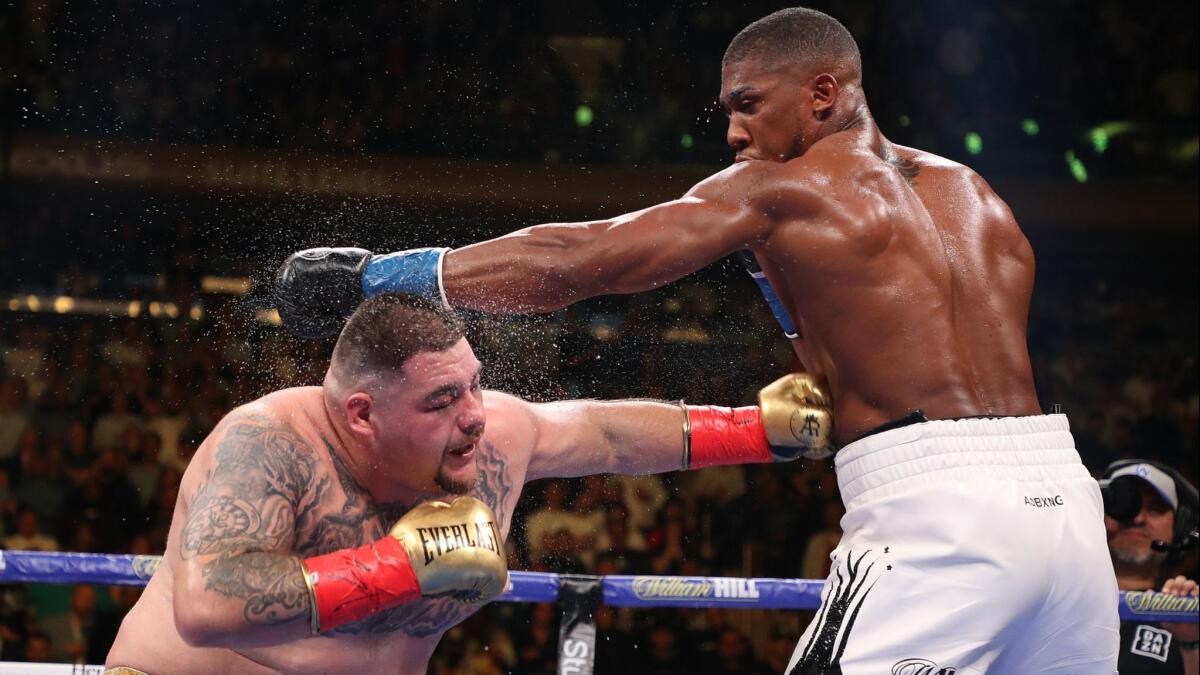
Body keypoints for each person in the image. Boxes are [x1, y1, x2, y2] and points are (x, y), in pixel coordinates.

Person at [275, 7, 1119, 672]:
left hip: (941, 513)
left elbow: (586, 259)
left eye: (748, 105)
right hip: (1068, 508)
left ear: (823, 94)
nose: (734, 134)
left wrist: (382, 276)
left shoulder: (784, 188)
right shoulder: (975, 194)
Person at [105, 292, 829, 675]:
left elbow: (606, 432)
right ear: (362, 414)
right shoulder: (269, 444)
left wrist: (757, 429)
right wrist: (394, 567)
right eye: (442, 400)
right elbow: (206, 603)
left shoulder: (493, 441)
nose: (476, 415)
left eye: (474, 385)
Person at [1102, 460, 1199, 674]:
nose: (1137, 518)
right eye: (1124, 504)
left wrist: (1191, 645)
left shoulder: (1189, 619)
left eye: (1155, 509)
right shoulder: (1058, 597)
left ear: (1179, 527)